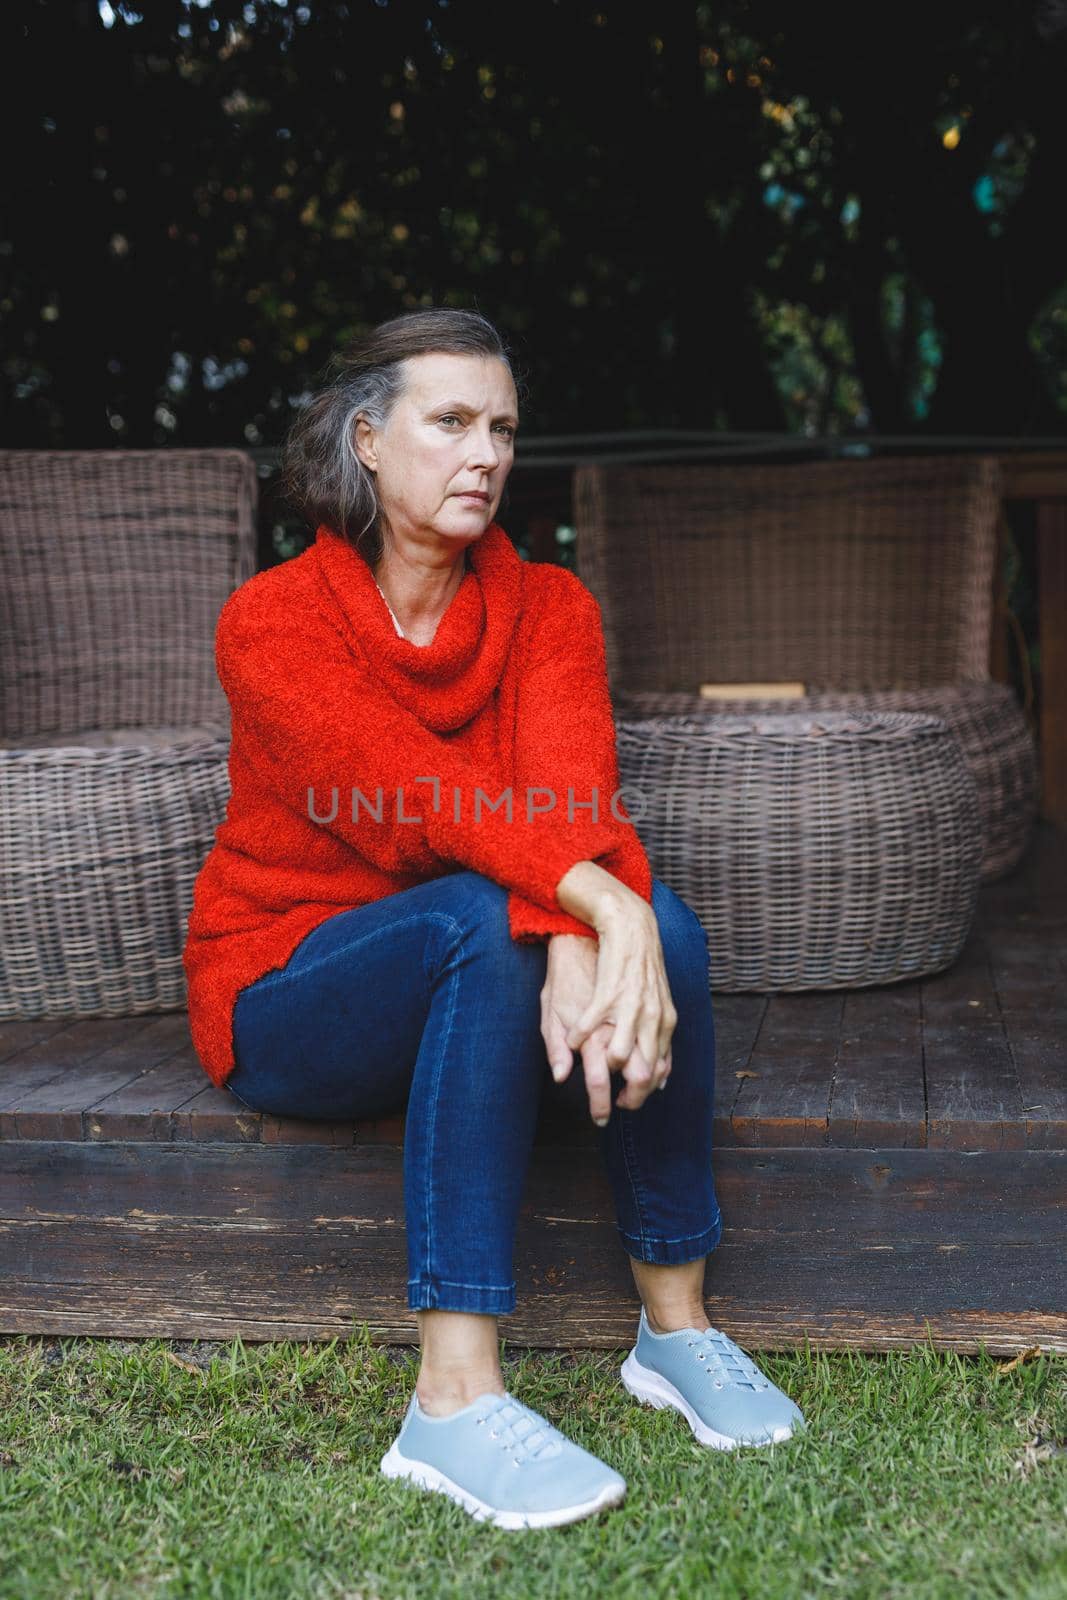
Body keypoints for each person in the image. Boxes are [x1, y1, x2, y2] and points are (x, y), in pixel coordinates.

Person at [182, 307, 805, 1532]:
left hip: (481, 964)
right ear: (367, 440)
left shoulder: (548, 608)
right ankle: (452, 1401)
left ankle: (672, 1329)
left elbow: (570, 801)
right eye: (451, 422)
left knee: (661, 927)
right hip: (290, 988)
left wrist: (599, 919)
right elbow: (415, 811)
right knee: (505, 904)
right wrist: (582, 904)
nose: (485, 454)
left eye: (503, 428)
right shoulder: (272, 622)